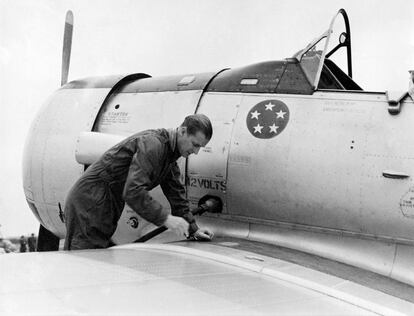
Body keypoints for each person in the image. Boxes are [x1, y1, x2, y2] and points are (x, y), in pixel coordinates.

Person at [64, 114, 214, 250]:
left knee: (93, 261)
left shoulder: (170, 157)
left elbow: (177, 197)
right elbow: (133, 191)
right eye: (195, 145)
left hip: (105, 202)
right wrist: (165, 219)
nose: (196, 152)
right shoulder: (154, 145)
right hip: (90, 201)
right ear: (182, 131)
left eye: (200, 147)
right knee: (84, 262)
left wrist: (194, 229)